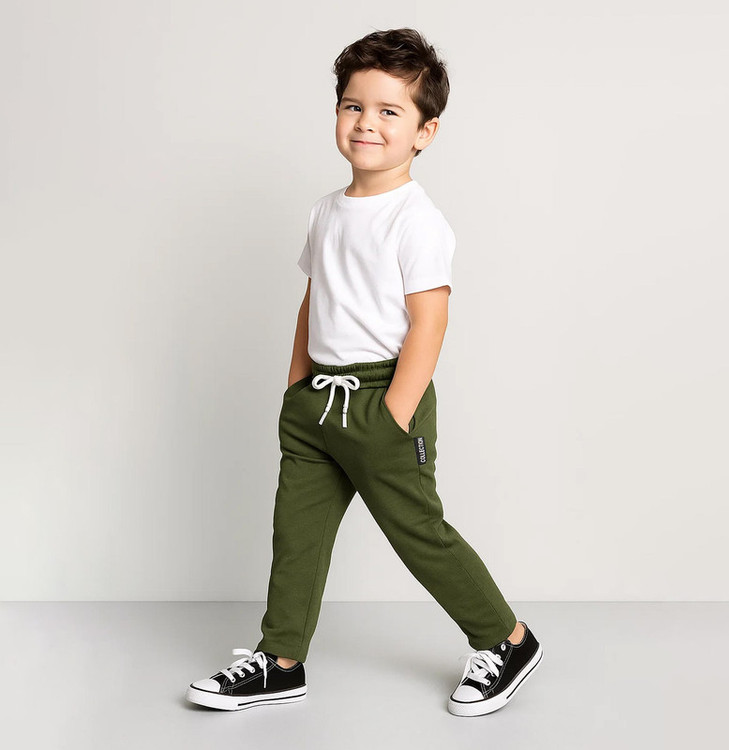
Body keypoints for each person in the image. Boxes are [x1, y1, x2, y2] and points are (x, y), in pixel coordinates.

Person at [186, 27, 543, 717]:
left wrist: (394, 415)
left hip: (382, 395)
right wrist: (297, 387)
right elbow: (315, 298)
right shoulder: (326, 211)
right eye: (354, 106)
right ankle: (280, 660)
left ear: (424, 132)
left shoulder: (417, 220)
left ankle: (508, 639)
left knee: (418, 533)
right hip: (318, 400)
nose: (366, 123)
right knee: (297, 535)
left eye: (388, 111)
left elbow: (429, 322)